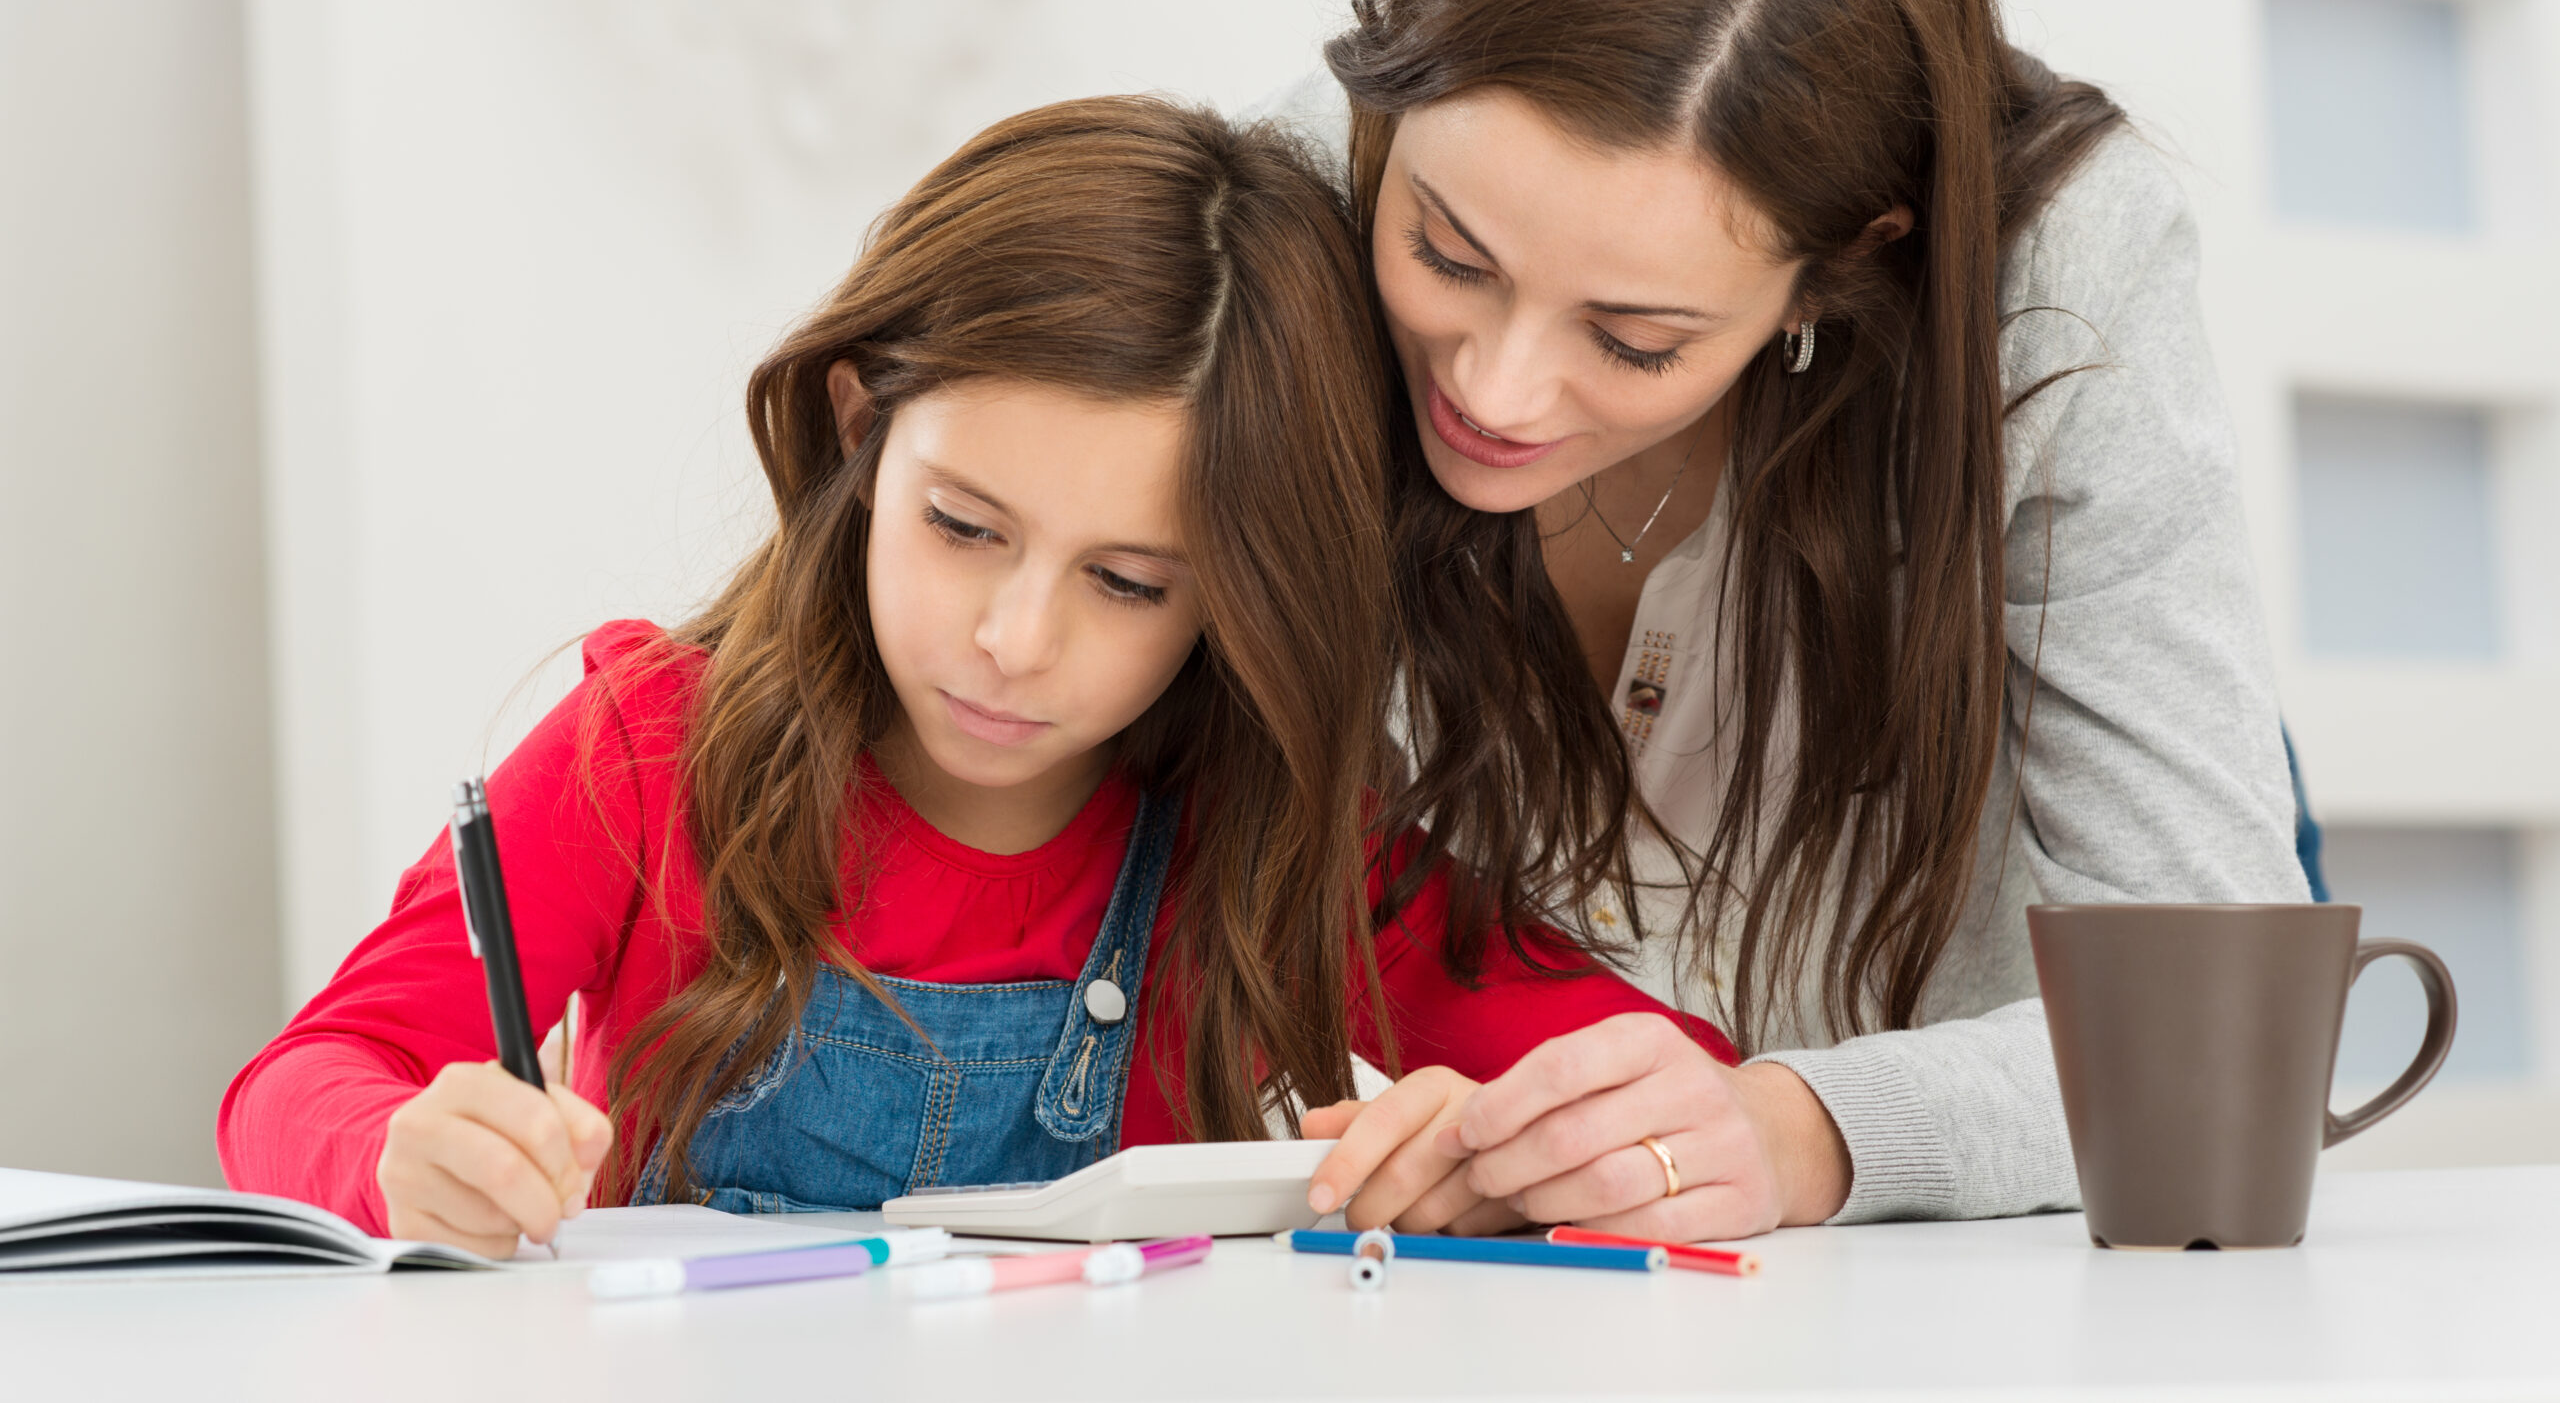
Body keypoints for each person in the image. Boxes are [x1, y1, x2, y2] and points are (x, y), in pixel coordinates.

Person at [218, 97, 1731, 1256]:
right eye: (962, 527)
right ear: (861, 427)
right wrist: (403, 1157)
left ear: (1242, 599)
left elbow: (1677, 1092)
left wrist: (1500, 1150)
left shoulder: (1278, 834)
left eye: (1131, 583)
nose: (1015, 639)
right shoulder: (649, 749)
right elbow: (307, 1079)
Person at [1290, 0, 2309, 1239]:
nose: (1497, 395)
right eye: (1448, 257)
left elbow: (2214, 1036)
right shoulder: (1287, 201)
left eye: (1637, 340)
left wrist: (1796, 1130)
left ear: (1842, 265)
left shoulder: (2054, 280)